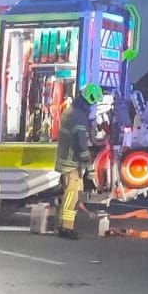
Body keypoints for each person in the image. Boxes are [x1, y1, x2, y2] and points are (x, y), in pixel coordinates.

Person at [54, 83, 102, 239]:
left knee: (72, 195)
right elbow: (81, 144)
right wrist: (89, 166)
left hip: (67, 161)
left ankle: (64, 225)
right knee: (72, 196)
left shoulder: (71, 112)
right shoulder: (78, 117)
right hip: (72, 163)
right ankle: (66, 228)